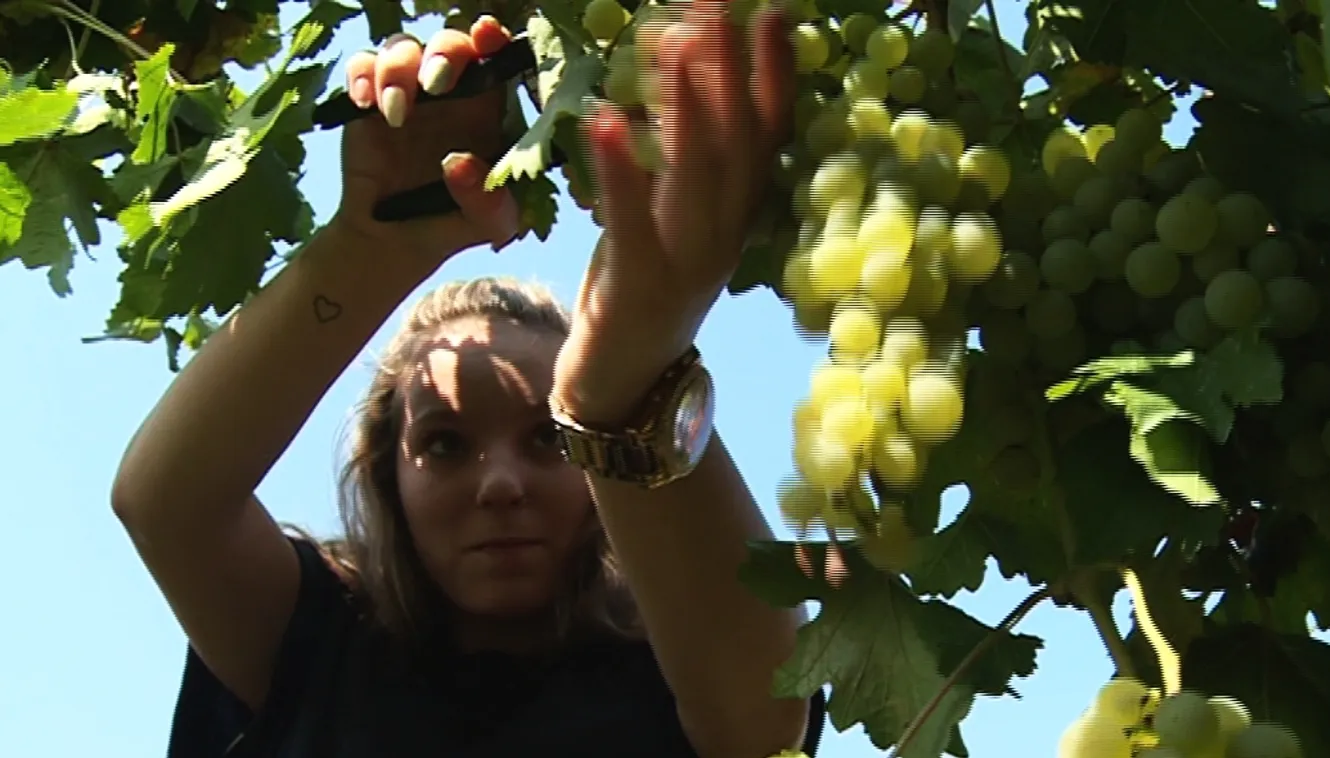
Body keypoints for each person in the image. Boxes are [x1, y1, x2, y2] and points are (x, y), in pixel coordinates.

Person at [112, 4, 826, 758]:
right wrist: (373, 244)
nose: (500, 485)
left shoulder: (679, 656)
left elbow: (762, 713)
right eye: (446, 444)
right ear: (388, 479)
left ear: (599, 481)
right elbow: (165, 503)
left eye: (550, 439)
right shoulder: (317, 637)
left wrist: (620, 387)